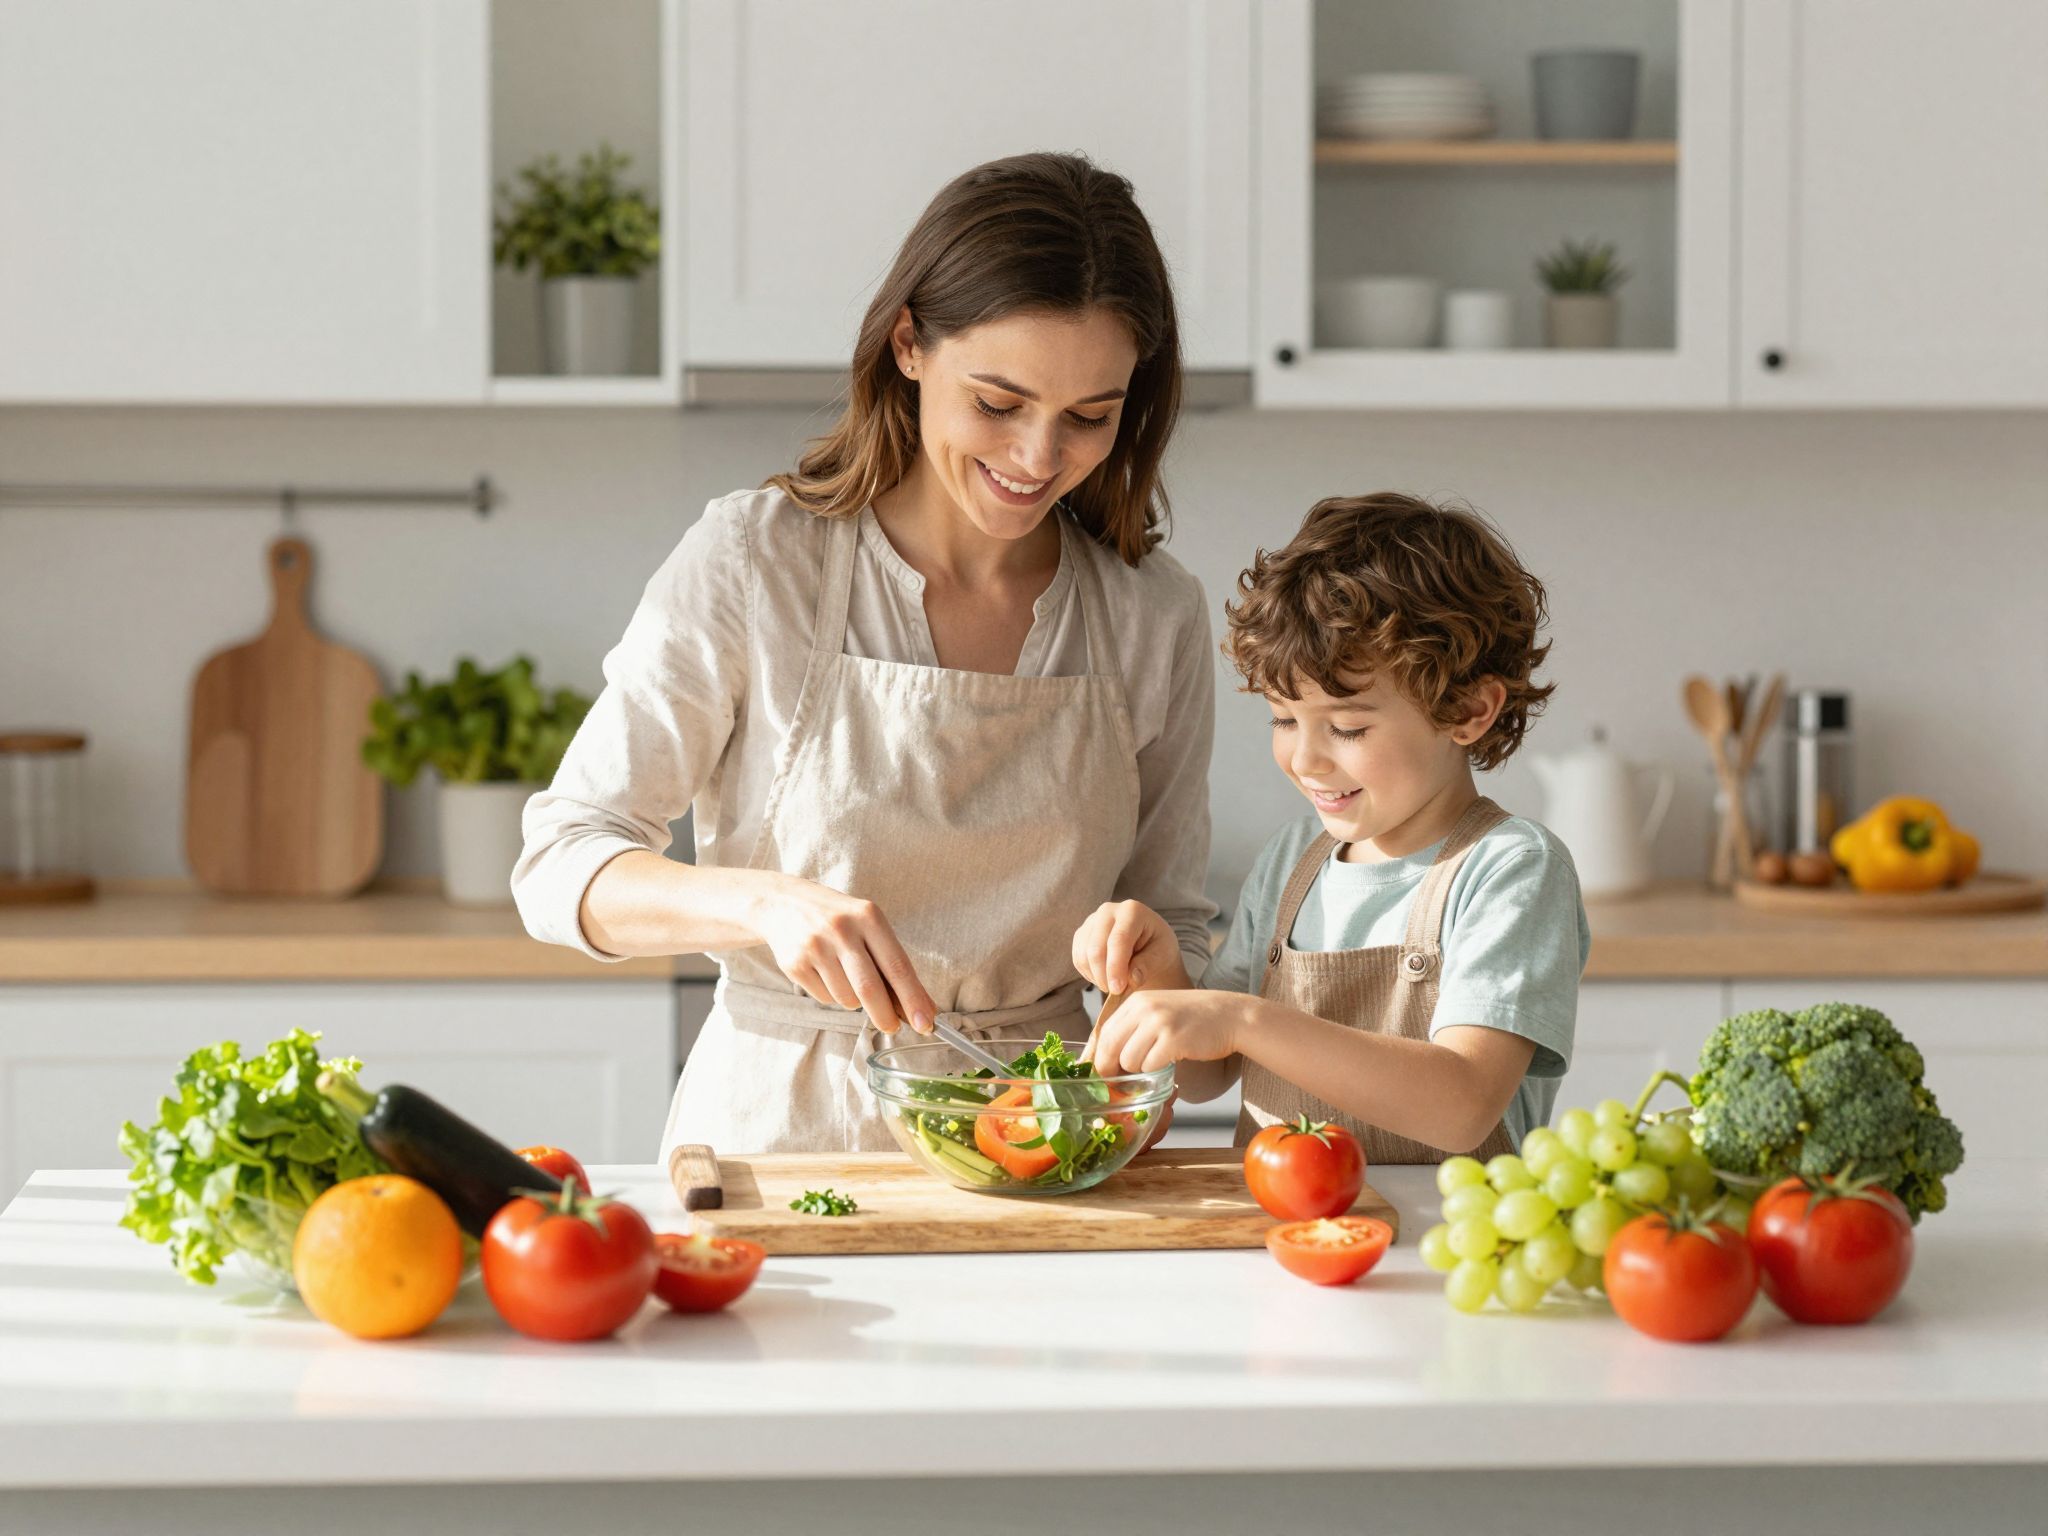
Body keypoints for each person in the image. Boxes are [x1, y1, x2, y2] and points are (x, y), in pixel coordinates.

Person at [513, 152, 1216, 1157]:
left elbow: (1176, 938)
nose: (1035, 457)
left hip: (1049, 1153)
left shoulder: (1156, 616)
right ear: (908, 346)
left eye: (1088, 419)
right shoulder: (757, 561)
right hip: (788, 1144)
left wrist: (1157, 979)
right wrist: (762, 904)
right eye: (999, 403)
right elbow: (560, 865)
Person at [1073, 492, 1588, 1162]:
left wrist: (1244, 1018)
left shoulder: (1512, 870)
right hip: (1283, 1239)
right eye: (1284, 719)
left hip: (1446, 1246)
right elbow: (1205, 1076)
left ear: (1468, 709)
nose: (1306, 758)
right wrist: (1161, 978)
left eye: (1347, 727)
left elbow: (1461, 1106)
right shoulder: (1294, 860)